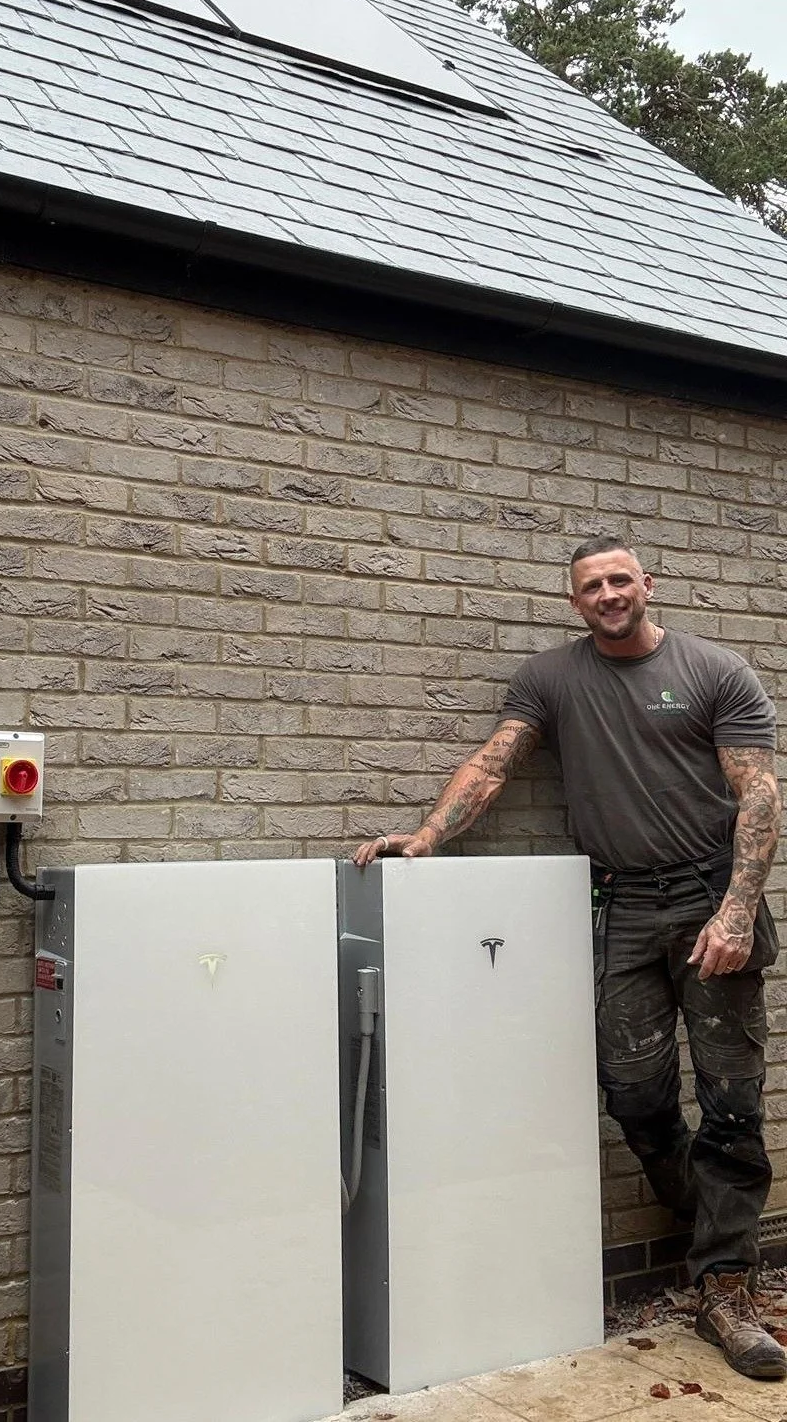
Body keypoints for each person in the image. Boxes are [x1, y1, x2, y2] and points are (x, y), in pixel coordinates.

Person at [354, 536, 784, 1380]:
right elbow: (496, 760)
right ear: (575, 601)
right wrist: (428, 837)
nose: (609, 594)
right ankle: (708, 1226)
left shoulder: (715, 671)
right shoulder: (551, 678)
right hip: (620, 902)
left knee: (732, 1099)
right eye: (592, 586)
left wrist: (735, 914)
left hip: (710, 898)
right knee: (634, 1092)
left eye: (621, 579)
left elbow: (759, 793)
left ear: (648, 585)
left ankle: (727, 1289)